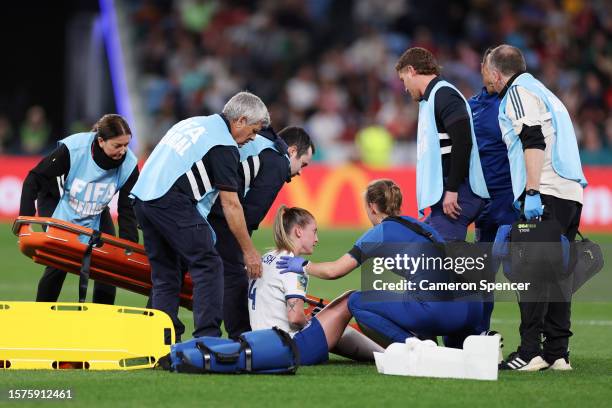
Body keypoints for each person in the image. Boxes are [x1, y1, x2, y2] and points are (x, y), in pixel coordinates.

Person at [277, 179, 485, 354]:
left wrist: (303, 265)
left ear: (373, 207)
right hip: (470, 309)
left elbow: (335, 271)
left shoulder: (381, 232)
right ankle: (468, 343)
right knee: (415, 295)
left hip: (437, 311)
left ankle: (418, 350)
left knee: (356, 300)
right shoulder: (420, 225)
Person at [131, 91, 269, 341]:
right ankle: (208, 339)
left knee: (166, 275)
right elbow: (231, 205)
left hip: (143, 198)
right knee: (209, 263)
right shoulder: (223, 145)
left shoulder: (192, 122)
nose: (253, 138)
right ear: (240, 120)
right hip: (169, 200)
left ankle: (160, 342)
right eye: (254, 130)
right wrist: (248, 251)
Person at [487, 45, 587, 371]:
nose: (484, 77)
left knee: (530, 273)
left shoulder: (517, 93)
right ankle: (558, 353)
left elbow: (533, 139)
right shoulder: (545, 92)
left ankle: (530, 352)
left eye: (486, 71)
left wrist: (532, 192)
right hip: (570, 193)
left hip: (544, 191)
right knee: (558, 275)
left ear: (498, 73)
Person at [19, 114, 139, 303]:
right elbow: (34, 179)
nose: (123, 151)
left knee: (109, 265)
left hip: (96, 210)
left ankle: (102, 318)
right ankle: (42, 315)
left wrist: (129, 247)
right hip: (59, 202)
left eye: (126, 145)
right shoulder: (73, 149)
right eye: (117, 145)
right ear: (100, 141)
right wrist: (25, 222)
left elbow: (127, 208)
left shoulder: (130, 165)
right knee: (60, 260)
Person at [208, 126, 314, 339]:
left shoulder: (262, 142)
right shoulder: (277, 162)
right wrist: (246, 251)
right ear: (292, 151)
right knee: (234, 276)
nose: (301, 171)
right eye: (303, 164)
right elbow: (249, 216)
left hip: (203, 205)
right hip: (221, 215)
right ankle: (241, 337)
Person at [249, 204, 383, 364]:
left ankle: (382, 355)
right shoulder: (292, 265)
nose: (317, 239)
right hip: (289, 348)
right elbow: (295, 318)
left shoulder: (266, 258)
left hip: (262, 345)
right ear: (299, 231)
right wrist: (310, 323)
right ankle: (388, 354)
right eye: (314, 231)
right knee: (351, 298)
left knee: (325, 322)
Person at [395, 47, 489, 242]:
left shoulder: (444, 95)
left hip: (458, 193)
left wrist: (452, 189)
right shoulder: (433, 98)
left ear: (412, 70)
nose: (405, 87)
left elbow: (462, 142)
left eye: (403, 79)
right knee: (420, 248)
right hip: (450, 193)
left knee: (443, 262)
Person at [469, 48, 520, 332]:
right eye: (488, 68)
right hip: (483, 207)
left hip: (510, 204)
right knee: (481, 277)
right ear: (483, 68)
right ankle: (482, 336)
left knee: (523, 274)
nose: (491, 75)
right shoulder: (471, 105)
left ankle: (540, 343)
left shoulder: (514, 103)